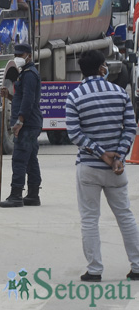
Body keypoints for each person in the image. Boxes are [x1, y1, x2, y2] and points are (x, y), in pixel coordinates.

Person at [65, 49, 139, 282]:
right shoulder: (119, 93)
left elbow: (74, 134)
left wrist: (100, 154)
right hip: (116, 169)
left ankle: (95, 270)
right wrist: (118, 156)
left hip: (88, 168)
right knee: (125, 216)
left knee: (89, 219)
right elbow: (130, 127)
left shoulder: (75, 96)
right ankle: (137, 266)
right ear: (102, 68)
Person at [0, 43, 42, 207]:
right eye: (16, 55)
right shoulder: (24, 73)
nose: (18, 58)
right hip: (30, 123)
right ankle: (32, 195)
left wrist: (20, 122)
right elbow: (21, 99)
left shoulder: (30, 74)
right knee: (30, 159)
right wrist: (9, 96)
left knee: (19, 159)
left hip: (28, 124)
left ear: (29, 56)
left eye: (21, 55)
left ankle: (16, 195)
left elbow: (29, 100)